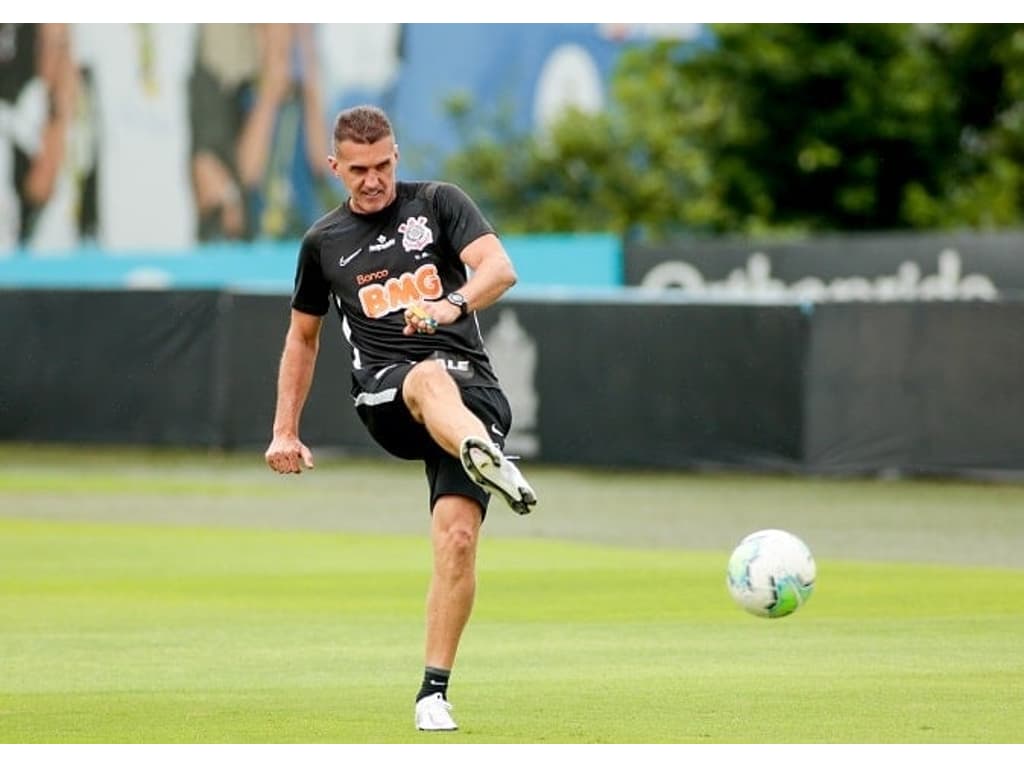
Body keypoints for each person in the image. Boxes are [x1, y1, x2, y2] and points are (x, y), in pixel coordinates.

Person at [264, 104, 537, 732]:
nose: (373, 179)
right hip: (388, 398)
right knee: (424, 376)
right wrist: (285, 429)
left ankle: (433, 693)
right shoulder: (322, 243)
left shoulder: (439, 203)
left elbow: (499, 268)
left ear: (396, 155)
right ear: (335, 166)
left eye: (383, 164)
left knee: (458, 540)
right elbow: (302, 339)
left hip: (474, 393)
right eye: (358, 169)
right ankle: (489, 458)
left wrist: (451, 306)